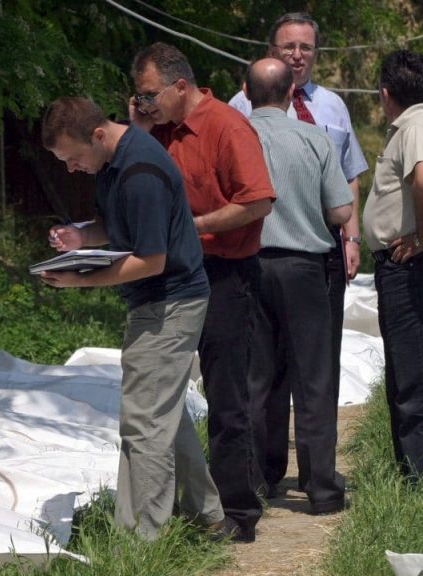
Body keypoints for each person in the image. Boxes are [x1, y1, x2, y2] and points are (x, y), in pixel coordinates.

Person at [40, 96, 229, 542]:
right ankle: (208, 516)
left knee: (143, 424)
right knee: (163, 414)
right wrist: (81, 234)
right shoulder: (113, 161)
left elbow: (150, 259)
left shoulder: (139, 171)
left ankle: (141, 541)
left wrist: (77, 281)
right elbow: (119, 224)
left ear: (99, 135)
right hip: (158, 303)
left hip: (169, 303)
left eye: (73, 158)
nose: (71, 168)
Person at [130, 42, 275, 542]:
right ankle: (186, 504)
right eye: (137, 98)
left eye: (150, 95)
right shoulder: (157, 131)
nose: (144, 104)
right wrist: (142, 130)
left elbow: (257, 201)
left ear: (180, 86)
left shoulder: (226, 127)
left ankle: (238, 511)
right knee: (159, 390)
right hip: (171, 277)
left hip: (225, 274)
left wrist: (195, 228)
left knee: (226, 395)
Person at [230, 14, 370, 484]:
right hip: (259, 250)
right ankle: (271, 471)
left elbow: (349, 177)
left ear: (316, 53)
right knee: (270, 374)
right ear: (272, 49)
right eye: (288, 46)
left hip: (322, 250)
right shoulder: (238, 109)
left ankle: (306, 476)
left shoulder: (332, 108)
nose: (297, 55)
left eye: (306, 48)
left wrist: (352, 237)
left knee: (316, 368)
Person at [244, 58, 353, 513]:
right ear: (292, 94)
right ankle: (322, 489)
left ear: (246, 95)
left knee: (255, 379)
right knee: (313, 379)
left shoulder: (235, 136)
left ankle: (255, 478)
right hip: (306, 267)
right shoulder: (314, 138)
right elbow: (341, 213)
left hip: (248, 266)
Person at [363, 50, 423, 482]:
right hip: (403, 264)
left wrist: (421, 234)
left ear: (385, 93)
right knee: (405, 371)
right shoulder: (417, 124)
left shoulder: (415, 127)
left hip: (413, 264)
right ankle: (413, 471)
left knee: (416, 374)